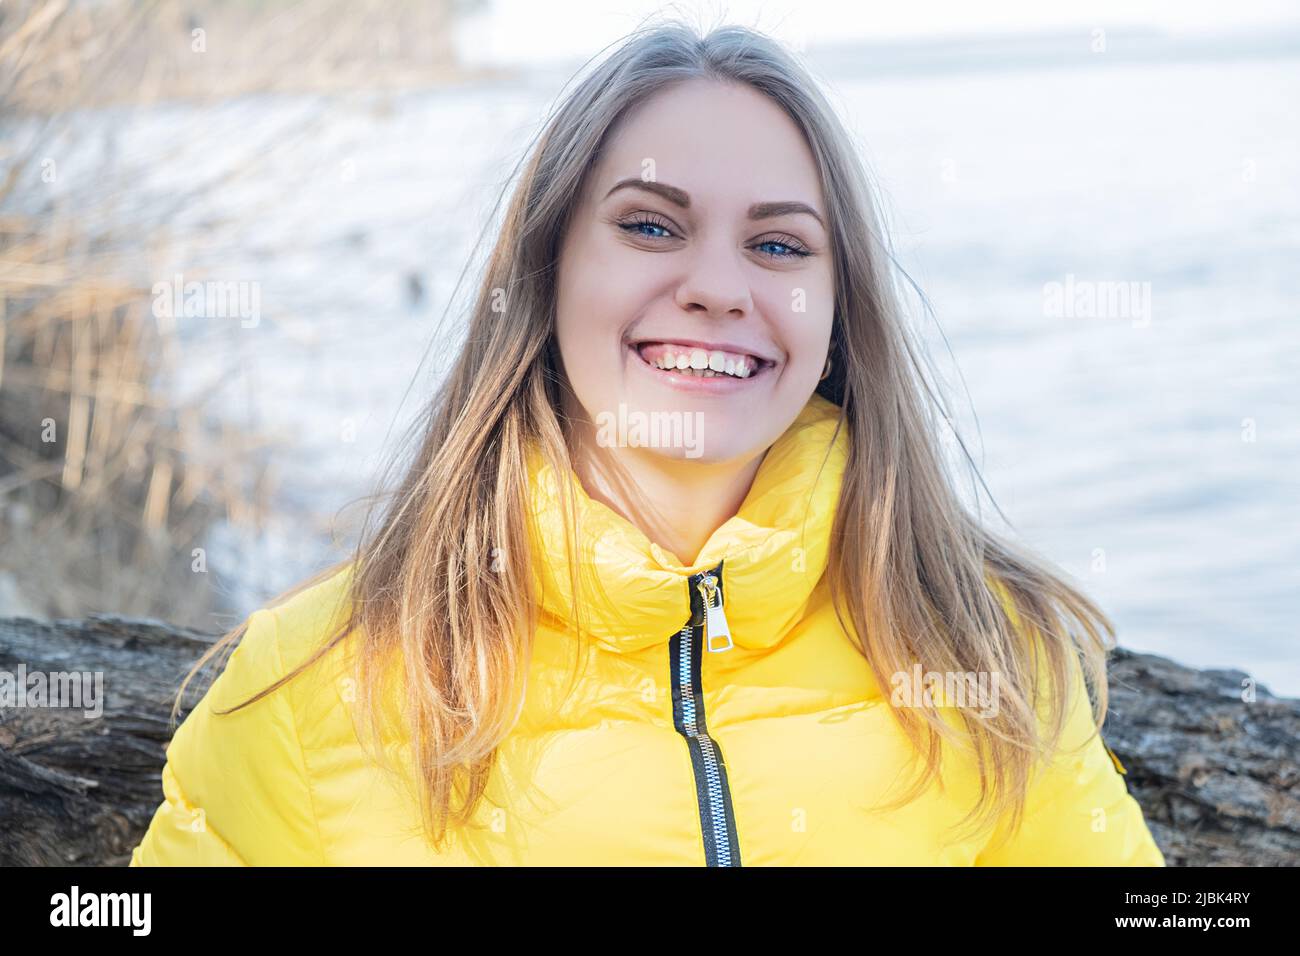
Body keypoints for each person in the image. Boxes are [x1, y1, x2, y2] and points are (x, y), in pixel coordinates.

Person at [130, 21, 1165, 866]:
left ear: (835, 307)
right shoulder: (317, 679)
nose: (718, 285)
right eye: (652, 226)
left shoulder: (982, 651)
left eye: (777, 244)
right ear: (547, 269)